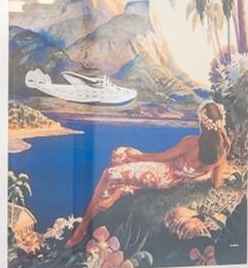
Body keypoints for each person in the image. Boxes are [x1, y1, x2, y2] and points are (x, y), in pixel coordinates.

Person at [66, 101, 230, 247]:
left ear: (202, 122)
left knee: (111, 171)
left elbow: (163, 157)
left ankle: (81, 229)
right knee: (120, 154)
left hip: (163, 173)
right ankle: (119, 193)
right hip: (170, 179)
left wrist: (136, 155)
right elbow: (216, 183)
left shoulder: (192, 143)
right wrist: (192, 175)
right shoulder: (222, 153)